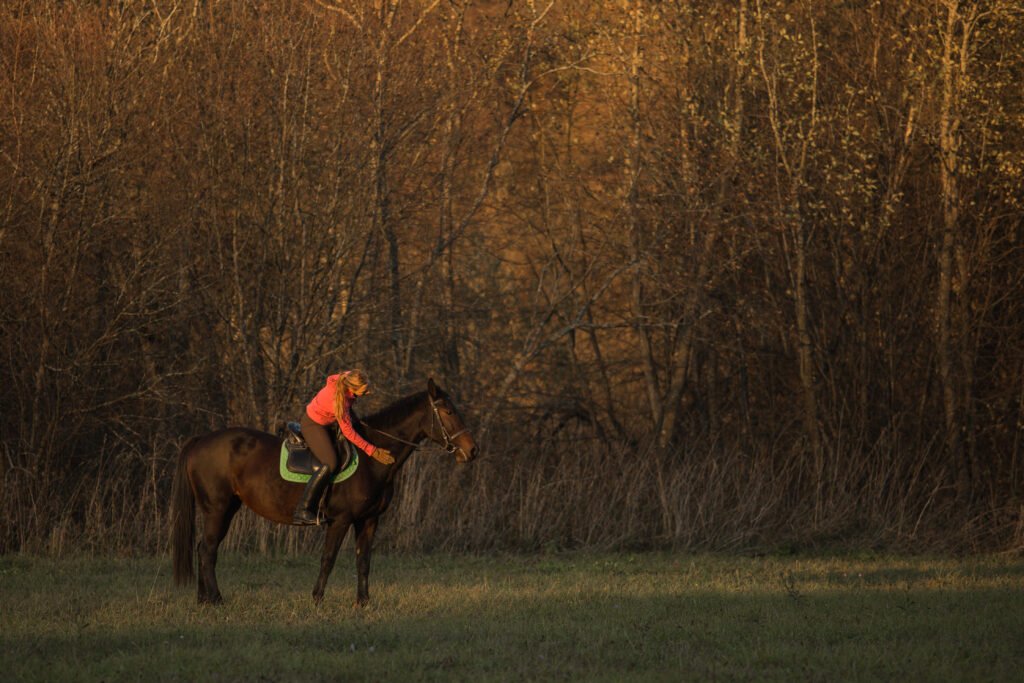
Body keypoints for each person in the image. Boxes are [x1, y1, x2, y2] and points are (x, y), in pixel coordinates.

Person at [292, 369, 394, 525]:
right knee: (331, 463)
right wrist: (372, 450)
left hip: (328, 421)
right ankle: (303, 509)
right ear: (352, 388)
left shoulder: (347, 377)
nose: (369, 392)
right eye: (365, 390)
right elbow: (349, 432)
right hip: (313, 425)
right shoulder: (339, 401)